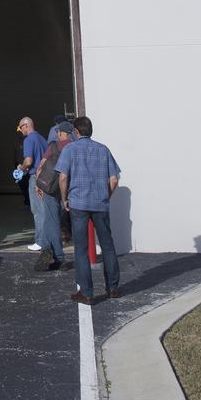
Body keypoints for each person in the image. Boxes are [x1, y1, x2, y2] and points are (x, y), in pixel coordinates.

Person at [56, 115, 121, 304]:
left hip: (78, 204)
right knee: (107, 246)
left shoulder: (69, 149)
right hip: (100, 203)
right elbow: (114, 179)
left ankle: (86, 292)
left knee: (81, 248)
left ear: (76, 132)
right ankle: (113, 288)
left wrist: (64, 198)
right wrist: (106, 196)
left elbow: (62, 178)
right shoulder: (103, 149)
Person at [31, 121, 75, 271]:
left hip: (50, 188)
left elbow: (41, 165)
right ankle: (54, 251)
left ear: (61, 133)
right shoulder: (74, 148)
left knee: (51, 221)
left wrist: (38, 184)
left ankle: (56, 255)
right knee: (67, 221)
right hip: (69, 188)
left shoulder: (53, 146)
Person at [16, 116, 48, 251]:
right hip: (45, 177)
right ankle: (47, 239)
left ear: (26, 125)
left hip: (35, 177)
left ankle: (40, 241)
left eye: (20, 127)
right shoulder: (42, 139)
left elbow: (28, 161)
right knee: (45, 210)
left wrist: (21, 168)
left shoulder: (29, 139)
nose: (20, 130)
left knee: (37, 211)